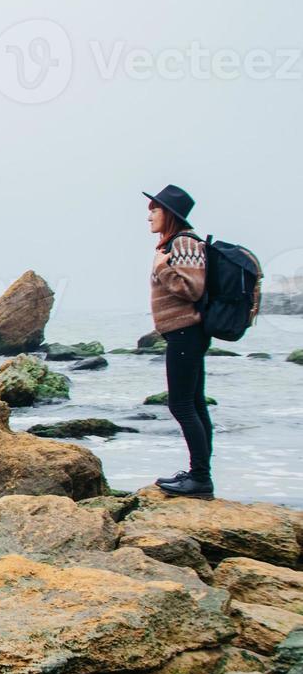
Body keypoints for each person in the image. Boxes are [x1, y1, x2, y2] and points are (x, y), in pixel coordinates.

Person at [145, 184, 214, 499]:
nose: (149, 215)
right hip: (185, 333)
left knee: (182, 404)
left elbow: (192, 289)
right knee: (195, 403)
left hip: (186, 331)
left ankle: (200, 479)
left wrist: (163, 268)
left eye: (154, 208)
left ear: (169, 214)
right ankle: (198, 474)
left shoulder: (184, 242)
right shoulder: (174, 243)